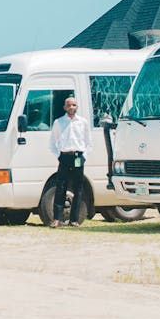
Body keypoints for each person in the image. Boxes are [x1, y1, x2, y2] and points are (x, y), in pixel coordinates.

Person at [49, 97, 92, 227]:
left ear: (77, 107)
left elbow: (89, 143)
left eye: (74, 105)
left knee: (78, 188)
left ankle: (74, 220)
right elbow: (52, 143)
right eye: (69, 105)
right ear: (64, 107)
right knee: (61, 187)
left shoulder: (83, 122)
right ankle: (57, 219)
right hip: (65, 157)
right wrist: (59, 156)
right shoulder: (59, 122)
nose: (71, 107)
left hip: (78, 157)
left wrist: (84, 156)